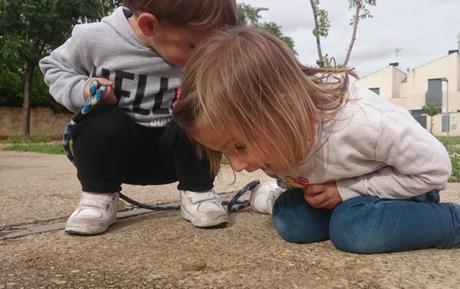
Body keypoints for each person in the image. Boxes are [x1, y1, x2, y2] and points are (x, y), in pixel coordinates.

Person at [173, 26, 460, 254]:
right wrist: (330, 192)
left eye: (239, 146)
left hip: (404, 188)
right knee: (291, 220)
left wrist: (346, 191)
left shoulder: (362, 123)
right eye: (223, 152)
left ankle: (451, 222)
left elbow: (435, 169)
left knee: (355, 230)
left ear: (283, 109)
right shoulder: (275, 133)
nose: (236, 165)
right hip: (342, 190)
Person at [39, 0, 238, 235]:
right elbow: (53, 66)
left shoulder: (195, 56)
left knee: (198, 116)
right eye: (194, 46)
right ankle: (97, 196)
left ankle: (199, 192)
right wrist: (82, 89)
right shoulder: (95, 38)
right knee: (101, 122)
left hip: (174, 156)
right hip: (115, 155)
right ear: (149, 25)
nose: (202, 57)